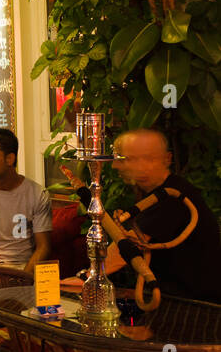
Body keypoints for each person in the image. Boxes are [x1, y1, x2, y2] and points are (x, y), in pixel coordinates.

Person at [74, 128, 221, 303]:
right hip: (173, 297)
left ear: (159, 160)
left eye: (125, 159)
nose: (115, 165)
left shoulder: (172, 197)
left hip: (195, 305)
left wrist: (86, 277)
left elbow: (126, 247)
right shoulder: (157, 193)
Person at [0, 127, 51, 273]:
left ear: (9, 159)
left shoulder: (37, 194)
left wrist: (24, 277)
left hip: (24, 268)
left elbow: (43, 247)